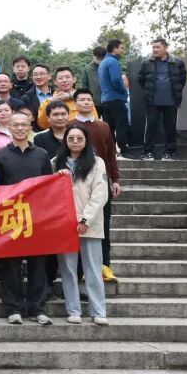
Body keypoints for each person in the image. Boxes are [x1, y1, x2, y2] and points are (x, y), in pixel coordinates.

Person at [0, 111, 54, 325]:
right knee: (11, 265)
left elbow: (48, 186)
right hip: (11, 217)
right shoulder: (0, 155)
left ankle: (37, 308)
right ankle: (14, 308)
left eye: (24, 125)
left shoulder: (42, 154)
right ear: (8, 128)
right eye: (15, 125)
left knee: (38, 265)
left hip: (37, 218)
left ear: (30, 128)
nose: (20, 128)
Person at [53, 124, 109, 325]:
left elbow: (100, 193)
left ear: (86, 141)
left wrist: (86, 219)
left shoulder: (97, 162)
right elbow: (49, 193)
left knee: (93, 269)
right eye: (71, 138)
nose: (75, 141)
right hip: (65, 225)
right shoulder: (55, 163)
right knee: (68, 270)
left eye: (79, 138)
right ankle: (73, 310)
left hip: (90, 225)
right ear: (65, 141)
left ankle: (98, 311)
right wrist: (56, 177)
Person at [70, 89, 121, 283]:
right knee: (78, 227)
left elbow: (110, 154)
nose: (86, 102)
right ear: (75, 104)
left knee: (103, 225)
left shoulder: (104, 126)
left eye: (89, 99)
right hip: (78, 184)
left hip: (101, 181)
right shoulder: (71, 126)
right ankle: (80, 269)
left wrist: (115, 178)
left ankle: (104, 266)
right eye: (81, 99)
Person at [138, 37, 187, 161]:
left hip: (171, 101)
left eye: (158, 47)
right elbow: (141, 80)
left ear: (165, 48)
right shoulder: (146, 62)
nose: (155, 49)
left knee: (170, 128)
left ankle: (170, 152)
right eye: (153, 47)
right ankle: (147, 152)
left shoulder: (178, 62)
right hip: (152, 101)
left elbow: (182, 80)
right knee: (151, 127)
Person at [98, 39, 130, 155]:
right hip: (116, 99)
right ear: (114, 49)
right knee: (121, 126)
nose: (123, 51)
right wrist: (123, 90)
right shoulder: (113, 61)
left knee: (109, 128)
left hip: (105, 99)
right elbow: (116, 79)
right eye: (121, 48)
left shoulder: (102, 63)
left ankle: (112, 151)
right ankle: (125, 150)